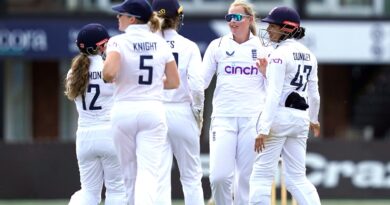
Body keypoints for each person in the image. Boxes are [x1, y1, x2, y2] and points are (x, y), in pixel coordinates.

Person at [102, 0, 180, 204]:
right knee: (148, 173)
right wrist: (152, 84)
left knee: (128, 173)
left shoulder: (118, 42)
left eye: (121, 14)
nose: (118, 17)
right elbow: (173, 82)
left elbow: (109, 73)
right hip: (152, 110)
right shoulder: (161, 42)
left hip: (124, 110)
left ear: (132, 19)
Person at [249, 6, 321, 205]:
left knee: (261, 176)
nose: (269, 30)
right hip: (300, 120)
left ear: (287, 28)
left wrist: (263, 128)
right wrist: (314, 119)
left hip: (278, 117)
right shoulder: (309, 55)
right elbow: (314, 95)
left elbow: (273, 93)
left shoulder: (279, 55)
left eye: (273, 26)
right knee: (297, 179)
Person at [201, 0, 268, 204]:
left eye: (237, 17)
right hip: (223, 118)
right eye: (229, 17)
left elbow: (275, 88)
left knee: (245, 180)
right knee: (219, 177)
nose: (232, 21)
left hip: (252, 119)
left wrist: (267, 73)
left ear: (249, 19)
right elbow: (201, 82)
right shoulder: (217, 45)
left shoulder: (264, 47)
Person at [64, 23, 127, 205]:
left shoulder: (73, 73)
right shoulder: (112, 70)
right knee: (117, 191)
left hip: (84, 137)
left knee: (89, 193)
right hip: (110, 134)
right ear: (100, 46)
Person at [151, 0, 205, 204]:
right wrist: (198, 113)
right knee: (191, 177)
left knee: (159, 176)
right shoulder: (189, 46)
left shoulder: (149, 45)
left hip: (155, 110)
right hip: (182, 111)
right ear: (178, 17)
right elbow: (197, 86)